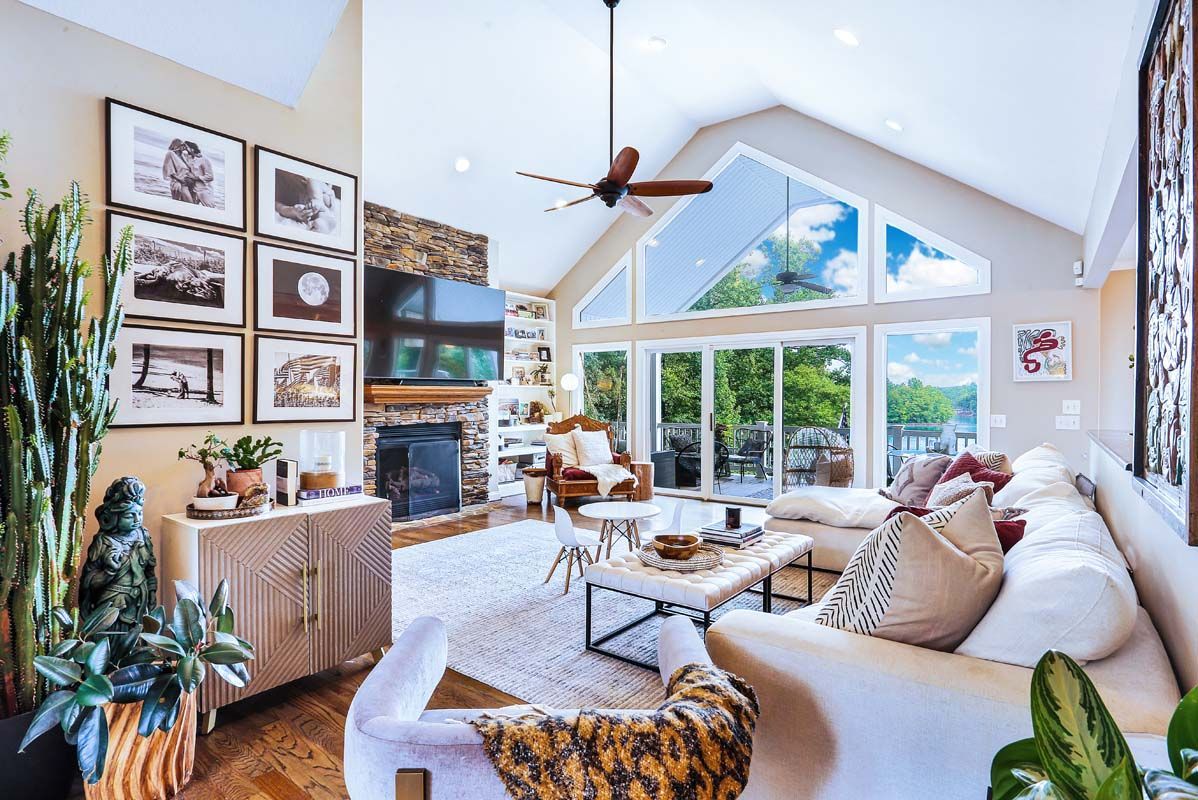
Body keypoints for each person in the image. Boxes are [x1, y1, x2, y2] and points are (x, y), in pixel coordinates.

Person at [185, 141, 216, 208]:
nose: (185, 149)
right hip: (194, 190)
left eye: (186, 147)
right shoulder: (189, 159)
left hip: (204, 190)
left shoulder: (204, 160)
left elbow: (210, 177)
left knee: (211, 209)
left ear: (192, 149)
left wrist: (195, 177)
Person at [162, 138, 194, 202]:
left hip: (187, 184)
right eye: (182, 145)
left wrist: (188, 150)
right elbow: (169, 172)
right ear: (177, 145)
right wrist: (181, 180)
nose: (184, 147)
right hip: (178, 183)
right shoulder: (170, 154)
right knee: (189, 202)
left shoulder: (184, 156)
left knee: (184, 205)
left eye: (184, 145)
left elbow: (194, 159)